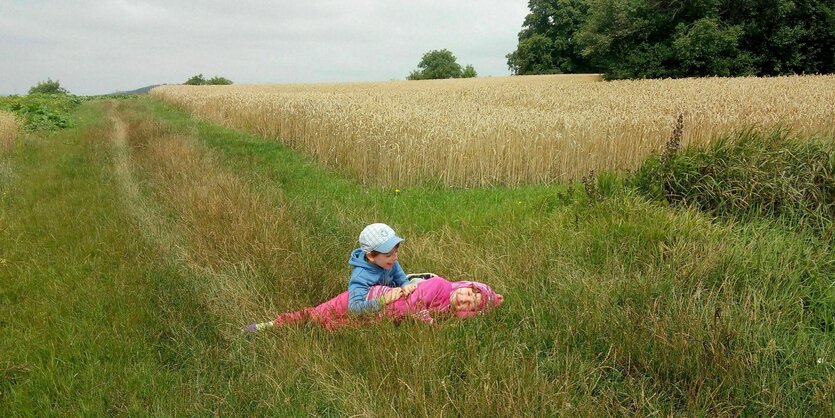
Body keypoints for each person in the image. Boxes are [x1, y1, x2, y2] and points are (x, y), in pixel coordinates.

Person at [244, 275, 504, 332]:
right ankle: (269, 326)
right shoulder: (439, 285)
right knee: (316, 314)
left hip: (373, 318)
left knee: (329, 328)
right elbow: (410, 304)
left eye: (472, 304)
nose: (466, 299)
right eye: (470, 293)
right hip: (366, 300)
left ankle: (295, 333)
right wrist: (429, 323)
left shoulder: (447, 312)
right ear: (465, 287)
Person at [346, 223, 417, 316]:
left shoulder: (390, 262)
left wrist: (406, 285)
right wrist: (383, 300)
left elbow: (400, 277)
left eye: (396, 251)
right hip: (380, 306)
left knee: (418, 285)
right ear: (370, 256)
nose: (395, 258)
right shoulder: (360, 276)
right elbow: (354, 308)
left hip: (395, 293)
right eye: (388, 255)